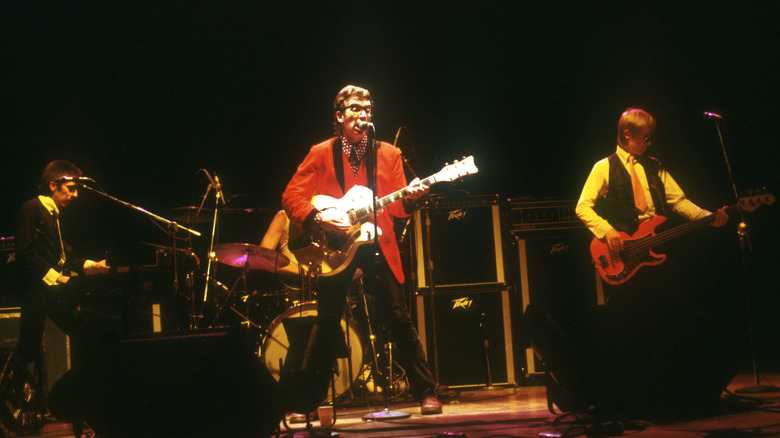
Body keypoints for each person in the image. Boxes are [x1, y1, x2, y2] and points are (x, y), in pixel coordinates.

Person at [281, 85, 441, 415]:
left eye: (367, 108)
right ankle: (308, 402)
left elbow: (396, 209)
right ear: (338, 116)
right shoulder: (320, 153)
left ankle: (426, 391)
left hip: (377, 245)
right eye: (355, 108)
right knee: (326, 323)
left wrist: (411, 197)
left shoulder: (388, 154)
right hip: (335, 250)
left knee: (397, 317)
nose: (363, 114)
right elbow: (290, 197)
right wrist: (319, 219)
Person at [570, 108, 734, 414]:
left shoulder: (656, 167)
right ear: (626, 135)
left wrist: (709, 218)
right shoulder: (603, 168)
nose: (649, 142)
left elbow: (678, 201)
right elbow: (583, 207)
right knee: (629, 326)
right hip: (624, 258)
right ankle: (629, 397)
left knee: (666, 320)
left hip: (655, 256)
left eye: (650, 137)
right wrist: (607, 231)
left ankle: (667, 392)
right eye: (644, 137)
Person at [14, 160, 110, 366]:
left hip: (51, 289)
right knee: (29, 346)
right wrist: (57, 276)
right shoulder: (31, 209)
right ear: (53, 185)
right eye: (71, 189)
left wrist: (93, 265)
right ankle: (8, 391)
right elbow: (25, 253)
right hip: (34, 288)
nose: (75, 195)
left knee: (83, 333)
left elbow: (64, 259)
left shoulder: (55, 216)